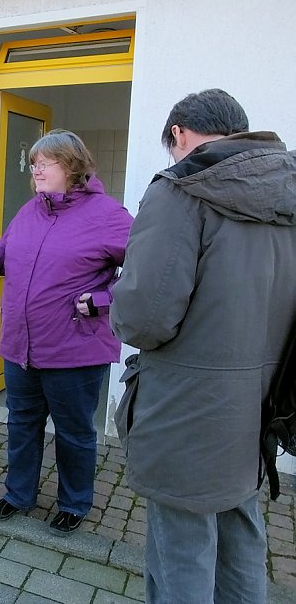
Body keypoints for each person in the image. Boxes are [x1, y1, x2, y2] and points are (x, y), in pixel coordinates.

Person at [110, 89, 296, 603]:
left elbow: (145, 319)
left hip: (188, 409)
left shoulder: (183, 189)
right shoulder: (287, 191)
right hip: (262, 408)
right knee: (242, 533)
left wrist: (117, 302)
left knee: (182, 552)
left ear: (179, 134)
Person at [0, 129, 133, 535]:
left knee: (73, 432)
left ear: (72, 167)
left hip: (74, 348)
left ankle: (74, 502)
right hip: (21, 346)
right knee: (22, 423)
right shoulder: (31, 210)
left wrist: (102, 300)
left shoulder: (108, 215)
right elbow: (7, 255)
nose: (34, 170)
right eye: (33, 163)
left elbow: (147, 269)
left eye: (43, 163)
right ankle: (18, 494)